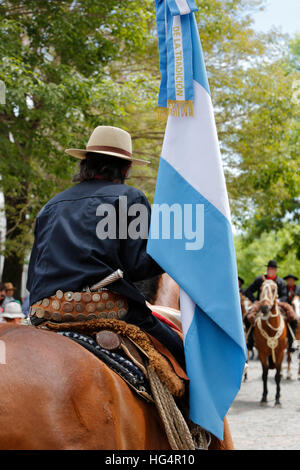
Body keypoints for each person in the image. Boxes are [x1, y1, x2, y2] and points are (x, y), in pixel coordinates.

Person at [27, 125, 185, 368]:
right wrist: (168, 253)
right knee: (180, 352)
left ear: (86, 162)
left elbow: (33, 275)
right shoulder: (130, 198)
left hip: (45, 310)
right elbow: (136, 266)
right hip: (105, 308)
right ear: (126, 167)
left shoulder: (51, 205)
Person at [244, 260, 288, 351]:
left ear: (276, 270)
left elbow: (285, 295)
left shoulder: (281, 282)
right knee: (248, 317)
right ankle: (250, 341)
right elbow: (248, 291)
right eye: (269, 268)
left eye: (273, 269)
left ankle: (290, 341)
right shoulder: (259, 280)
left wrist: (278, 301)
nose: (271, 270)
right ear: (267, 269)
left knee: (292, 316)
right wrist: (255, 301)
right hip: (261, 303)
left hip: (276, 303)